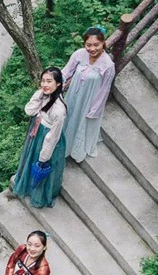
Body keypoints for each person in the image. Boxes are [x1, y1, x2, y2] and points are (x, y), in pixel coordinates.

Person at [13, 67, 67, 208]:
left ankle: (40, 195)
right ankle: (28, 184)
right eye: (43, 81)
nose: (45, 84)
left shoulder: (58, 110)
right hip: (38, 132)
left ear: (58, 84)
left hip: (46, 138)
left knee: (41, 165)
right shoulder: (44, 96)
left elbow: (52, 137)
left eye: (49, 81)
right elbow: (29, 110)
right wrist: (39, 94)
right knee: (31, 159)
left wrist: (44, 157)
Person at [62, 26, 115, 162]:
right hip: (74, 95)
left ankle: (75, 149)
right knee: (69, 116)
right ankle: (63, 145)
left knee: (81, 121)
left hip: (89, 99)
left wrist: (95, 109)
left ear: (103, 43)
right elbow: (67, 71)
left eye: (96, 45)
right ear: (84, 44)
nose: (92, 49)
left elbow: (104, 90)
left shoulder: (108, 65)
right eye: (88, 45)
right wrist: (56, 84)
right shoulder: (79, 54)